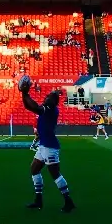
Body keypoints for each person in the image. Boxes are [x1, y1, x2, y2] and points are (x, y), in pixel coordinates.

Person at [19, 75, 75, 213]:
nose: (45, 98)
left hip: (50, 147)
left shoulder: (50, 108)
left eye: (48, 97)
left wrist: (25, 93)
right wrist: (24, 94)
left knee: (55, 174)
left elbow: (34, 108)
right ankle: (38, 200)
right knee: (34, 169)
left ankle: (69, 201)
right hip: (44, 145)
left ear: (52, 101)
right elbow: (29, 106)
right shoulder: (49, 106)